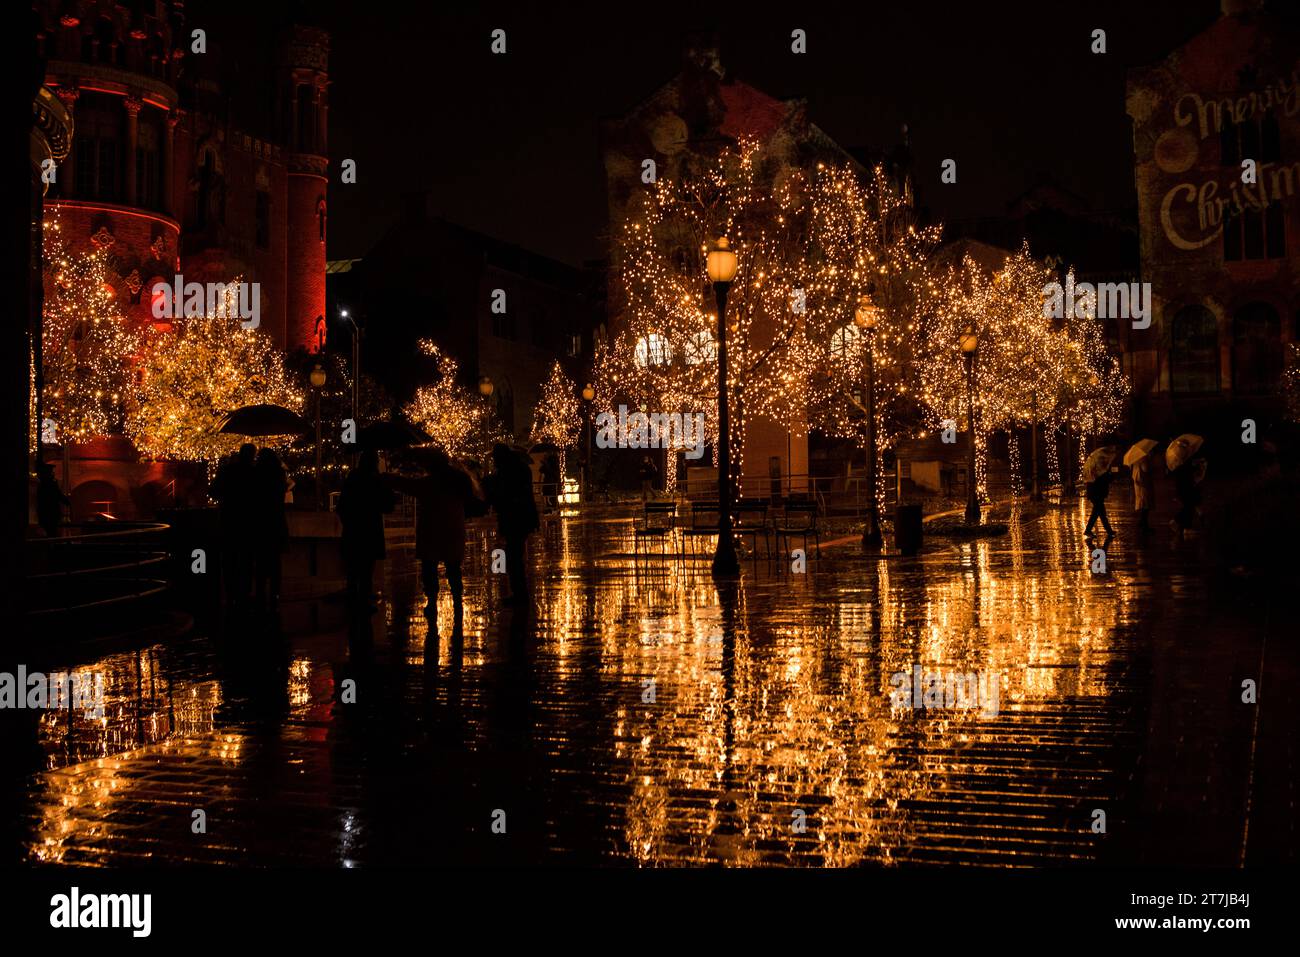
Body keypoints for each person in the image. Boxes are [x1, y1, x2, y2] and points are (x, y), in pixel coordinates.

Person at [387, 448, 482, 635]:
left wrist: (388, 478)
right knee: (453, 566)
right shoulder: (459, 480)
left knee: (429, 566)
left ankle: (431, 600)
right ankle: (456, 599)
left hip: (431, 527)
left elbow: (408, 486)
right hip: (454, 525)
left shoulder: (429, 483)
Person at [337, 449, 396, 611]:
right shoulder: (376, 480)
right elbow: (388, 505)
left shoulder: (352, 478)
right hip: (370, 530)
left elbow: (341, 506)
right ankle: (363, 604)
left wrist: (348, 523)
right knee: (366, 572)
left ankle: (352, 603)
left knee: (352, 571)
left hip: (353, 530)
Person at [483, 443, 539, 610]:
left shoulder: (508, 472)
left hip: (515, 517)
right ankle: (519, 593)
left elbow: (504, 493)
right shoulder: (518, 469)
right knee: (514, 555)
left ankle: (520, 595)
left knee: (514, 557)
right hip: (521, 517)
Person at [211, 443, 257, 605]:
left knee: (229, 559)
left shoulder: (227, 471)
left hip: (228, 520)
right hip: (248, 523)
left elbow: (214, 491)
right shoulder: (254, 473)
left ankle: (230, 592)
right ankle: (244, 592)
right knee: (246, 559)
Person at [251, 448, 289, 609]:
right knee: (275, 560)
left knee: (260, 560)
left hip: (260, 521)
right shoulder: (279, 474)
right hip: (276, 520)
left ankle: (260, 592)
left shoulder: (256, 473)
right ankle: (275, 592)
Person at [35, 461, 70, 539]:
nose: (53, 473)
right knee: (52, 533)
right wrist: (66, 501)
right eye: (51, 472)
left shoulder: (42, 484)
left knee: (49, 532)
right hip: (51, 513)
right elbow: (57, 495)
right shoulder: (49, 484)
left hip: (45, 513)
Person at [1084, 464, 1116, 540]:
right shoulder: (1099, 470)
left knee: (1099, 513)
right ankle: (1088, 530)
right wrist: (1111, 475)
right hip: (1097, 494)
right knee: (1099, 513)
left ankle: (1109, 531)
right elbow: (1104, 480)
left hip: (1095, 494)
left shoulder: (1094, 469)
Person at [1131, 454, 1156, 533]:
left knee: (1143, 503)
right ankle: (1144, 525)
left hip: (1139, 483)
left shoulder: (1136, 458)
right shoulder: (1143, 458)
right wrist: (1151, 464)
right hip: (1144, 484)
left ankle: (1142, 523)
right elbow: (1146, 469)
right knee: (1145, 504)